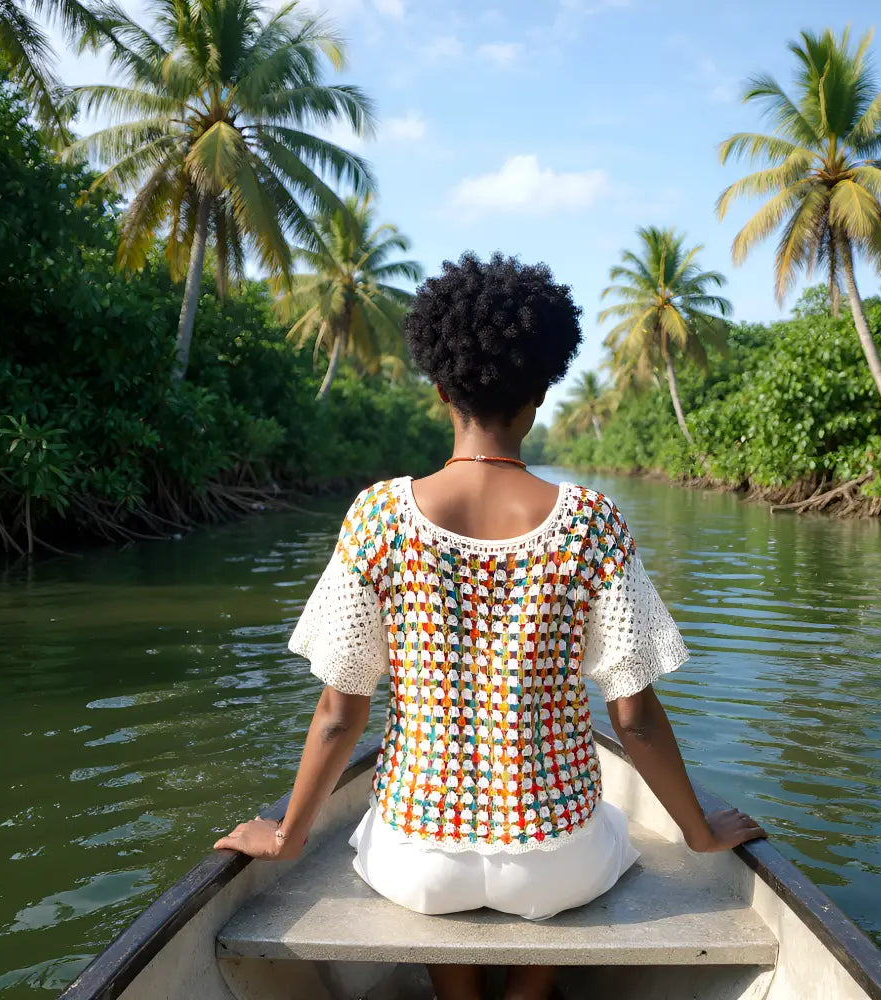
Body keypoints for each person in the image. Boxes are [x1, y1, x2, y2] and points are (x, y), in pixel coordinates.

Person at [214, 252, 766, 1000]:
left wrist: (285, 836)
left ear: (440, 388)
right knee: (600, 828)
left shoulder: (378, 516)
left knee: (413, 855)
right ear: (541, 392)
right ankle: (530, 990)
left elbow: (340, 715)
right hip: (556, 859)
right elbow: (632, 720)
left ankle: (459, 993)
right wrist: (698, 831)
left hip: (420, 861)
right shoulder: (592, 522)